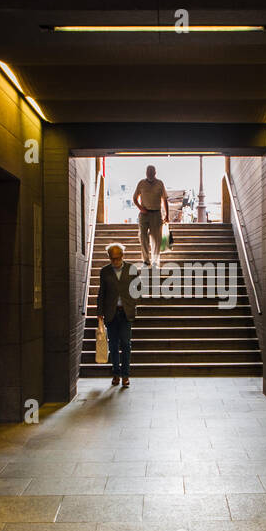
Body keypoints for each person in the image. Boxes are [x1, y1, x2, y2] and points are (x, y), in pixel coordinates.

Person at [96, 241, 138, 387]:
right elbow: (101, 293)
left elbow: (137, 289)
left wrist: (132, 303)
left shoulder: (131, 269)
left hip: (125, 312)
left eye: (116, 258)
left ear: (122, 256)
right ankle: (116, 374)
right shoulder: (105, 271)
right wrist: (99, 312)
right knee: (113, 345)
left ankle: (125, 375)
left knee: (126, 344)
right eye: (111, 259)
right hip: (111, 313)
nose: (114, 261)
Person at [132, 164, 169, 267]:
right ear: (146, 173)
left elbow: (165, 199)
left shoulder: (160, 184)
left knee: (156, 239)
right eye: (148, 172)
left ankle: (155, 261)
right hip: (144, 214)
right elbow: (134, 198)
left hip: (157, 214)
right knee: (143, 236)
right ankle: (146, 260)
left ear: (155, 173)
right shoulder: (141, 183)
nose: (150, 174)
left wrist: (167, 215)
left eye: (151, 172)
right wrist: (140, 208)